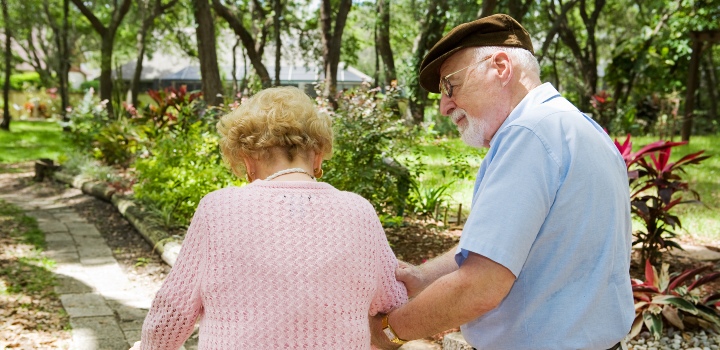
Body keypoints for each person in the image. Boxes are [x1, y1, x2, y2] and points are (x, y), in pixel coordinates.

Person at [370, 14, 634, 350]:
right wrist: (423, 277)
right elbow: (500, 247)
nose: (443, 106)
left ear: (500, 67)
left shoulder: (527, 134)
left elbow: (479, 287)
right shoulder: (580, 126)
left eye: (450, 85)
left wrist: (388, 332)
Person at [132, 86, 407, 349]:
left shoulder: (217, 210)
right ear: (318, 157)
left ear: (247, 161)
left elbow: (172, 310)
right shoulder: (359, 212)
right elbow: (394, 300)